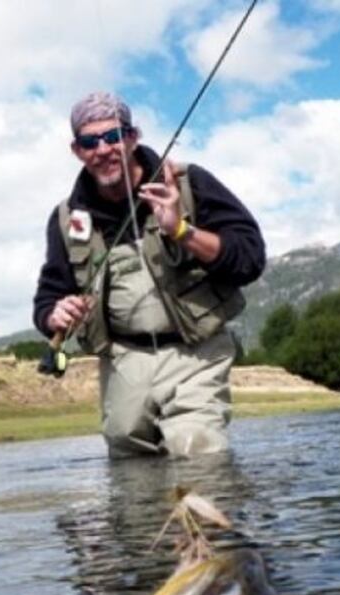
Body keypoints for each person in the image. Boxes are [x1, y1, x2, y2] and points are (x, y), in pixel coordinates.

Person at [32, 91, 266, 458]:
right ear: (77, 150)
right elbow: (48, 296)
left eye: (113, 136)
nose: (103, 149)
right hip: (124, 361)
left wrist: (181, 231)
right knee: (130, 468)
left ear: (132, 136)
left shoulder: (188, 184)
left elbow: (250, 259)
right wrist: (53, 315)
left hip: (196, 352)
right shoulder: (66, 219)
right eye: (90, 141)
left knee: (195, 452)